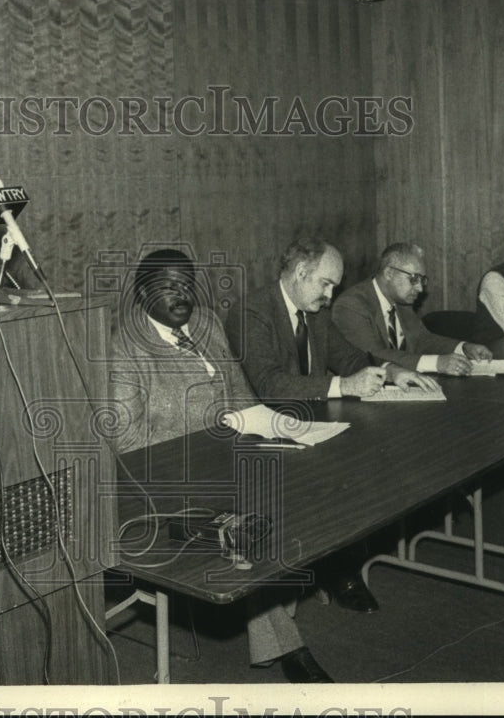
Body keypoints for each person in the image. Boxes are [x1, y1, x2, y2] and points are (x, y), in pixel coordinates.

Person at [109, 248, 334, 683]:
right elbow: (127, 442)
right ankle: (290, 647)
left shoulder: (206, 323)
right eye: (168, 286)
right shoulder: (126, 348)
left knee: (302, 479)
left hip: (227, 463)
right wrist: (215, 437)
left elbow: (241, 395)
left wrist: (278, 428)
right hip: (165, 485)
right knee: (248, 520)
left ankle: (287, 597)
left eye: (188, 285)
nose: (182, 296)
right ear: (141, 293)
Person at [224, 234, 438, 615]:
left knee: (368, 459)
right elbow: (270, 385)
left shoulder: (317, 311)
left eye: (334, 287)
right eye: (325, 284)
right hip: (264, 435)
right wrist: (345, 386)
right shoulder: (252, 311)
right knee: (342, 472)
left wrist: (391, 371)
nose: (329, 296)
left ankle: (337, 566)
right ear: (301, 272)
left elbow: (349, 357)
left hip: (312, 422)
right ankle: (336, 572)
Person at [332, 243, 493, 375]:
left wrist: (463, 348)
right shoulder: (351, 304)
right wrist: (436, 363)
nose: (420, 289)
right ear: (389, 273)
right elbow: (372, 355)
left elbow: (422, 340)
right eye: (414, 279)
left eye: (422, 280)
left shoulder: (401, 302)